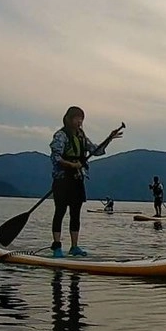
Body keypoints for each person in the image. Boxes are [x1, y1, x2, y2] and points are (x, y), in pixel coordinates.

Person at [49, 107, 123, 258]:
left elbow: (95, 151)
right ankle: (57, 246)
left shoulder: (81, 136)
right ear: (69, 119)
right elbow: (55, 157)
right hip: (62, 180)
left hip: (77, 179)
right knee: (60, 212)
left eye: (81, 118)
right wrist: (71, 165)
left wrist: (109, 138)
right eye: (77, 118)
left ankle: (74, 246)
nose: (79, 121)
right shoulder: (61, 135)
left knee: (75, 213)